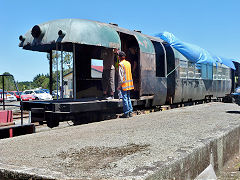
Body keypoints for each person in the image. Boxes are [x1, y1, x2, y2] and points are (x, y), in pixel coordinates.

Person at [117, 51, 134, 118]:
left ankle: (126, 113)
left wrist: (119, 86)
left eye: (118, 56)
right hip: (129, 83)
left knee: (124, 98)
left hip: (124, 84)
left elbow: (121, 76)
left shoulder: (121, 64)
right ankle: (130, 112)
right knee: (128, 98)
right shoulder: (128, 63)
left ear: (119, 57)